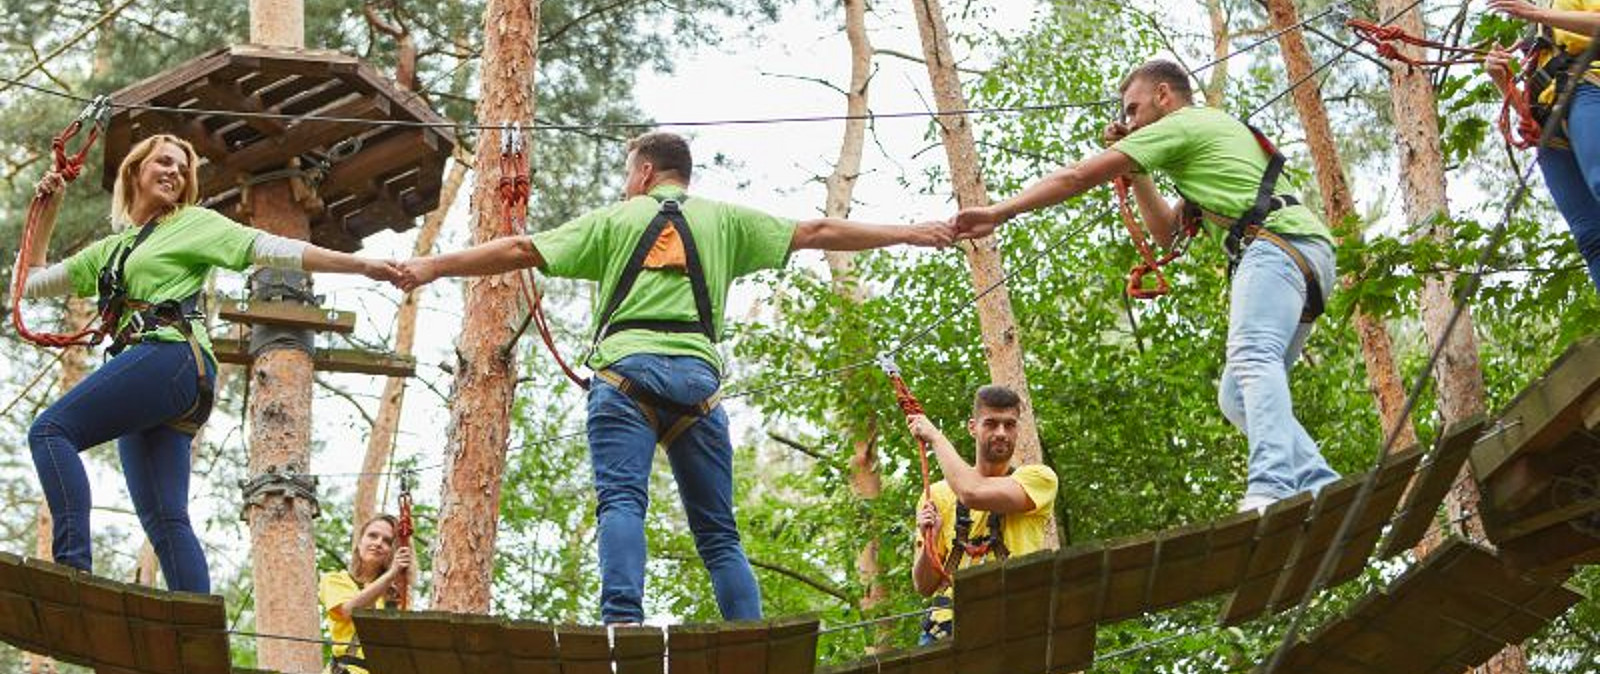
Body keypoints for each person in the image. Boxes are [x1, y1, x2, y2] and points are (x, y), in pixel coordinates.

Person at [394, 130, 953, 624]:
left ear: (643, 172)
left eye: (626, 175)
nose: (623, 186)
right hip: (698, 387)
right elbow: (817, 229)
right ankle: (750, 633)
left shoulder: (615, 219)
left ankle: (623, 626)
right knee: (719, 534)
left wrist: (432, 266)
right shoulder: (726, 220)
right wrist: (910, 232)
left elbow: (519, 247)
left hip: (624, 378)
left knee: (621, 503)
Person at [17, 133, 402, 592]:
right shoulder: (110, 251)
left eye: (182, 170)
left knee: (50, 431)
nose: (175, 174)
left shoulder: (192, 223)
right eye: (163, 162)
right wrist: (50, 208)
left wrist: (360, 266)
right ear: (135, 171)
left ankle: (72, 571)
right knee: (165, 519)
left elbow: (269, 247)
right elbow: (31, 283)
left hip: (171, 357)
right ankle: (196, 632)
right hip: (166, 378)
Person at [949, 59, 1339, 512]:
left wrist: (1000, 212)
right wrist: (1139, 174)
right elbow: (1166, 234)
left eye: (1133, 110)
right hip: (1300, 254)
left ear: (1163, 96)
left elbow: (1077, 176)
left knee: (1253, 356)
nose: (1128, 122)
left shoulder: (1184, 122)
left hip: (1276, 248)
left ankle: (1272, 484)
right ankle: (1317, 481)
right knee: (1236, 395)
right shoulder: (1204, 139)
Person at [907, 385, 1057, 645]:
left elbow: (971, 492)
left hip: (1012, 624)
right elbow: (924, 585)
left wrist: (936, 438)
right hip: (948, 629)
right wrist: (928, 538)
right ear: (973, 427)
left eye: (1009, 425)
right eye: (991, 424)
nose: (1001, 432)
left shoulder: (1039, 480)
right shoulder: (938, 495)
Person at [1485, 0, 1600, 292]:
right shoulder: (1539, 29)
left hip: (1589, 87)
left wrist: (1536, 14)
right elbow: (1528, 112)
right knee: (1590, 238)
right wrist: (1502, 79)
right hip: (1551, 127)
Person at [320, 514, 412, 674]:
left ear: (393, 551)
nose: (378, 543)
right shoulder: (335, 580)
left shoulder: (394, 597)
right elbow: (348, 610)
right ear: (359, 541)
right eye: (372, 536)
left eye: (387, 541)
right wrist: (391, 574)